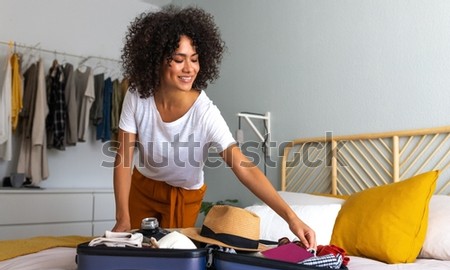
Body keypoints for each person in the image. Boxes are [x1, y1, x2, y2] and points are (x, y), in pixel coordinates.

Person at [112, 5, 316, 249]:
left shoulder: (205, 113)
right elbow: (123, 156)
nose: (189, 69)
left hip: (184, 195)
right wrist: (122, 217)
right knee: (133, 254)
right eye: (179, 60)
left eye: (195, 59)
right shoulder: (137, 95)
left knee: (171, 259)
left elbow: (245, 168)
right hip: (143, 187)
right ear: (156, 61)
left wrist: (292, 218)